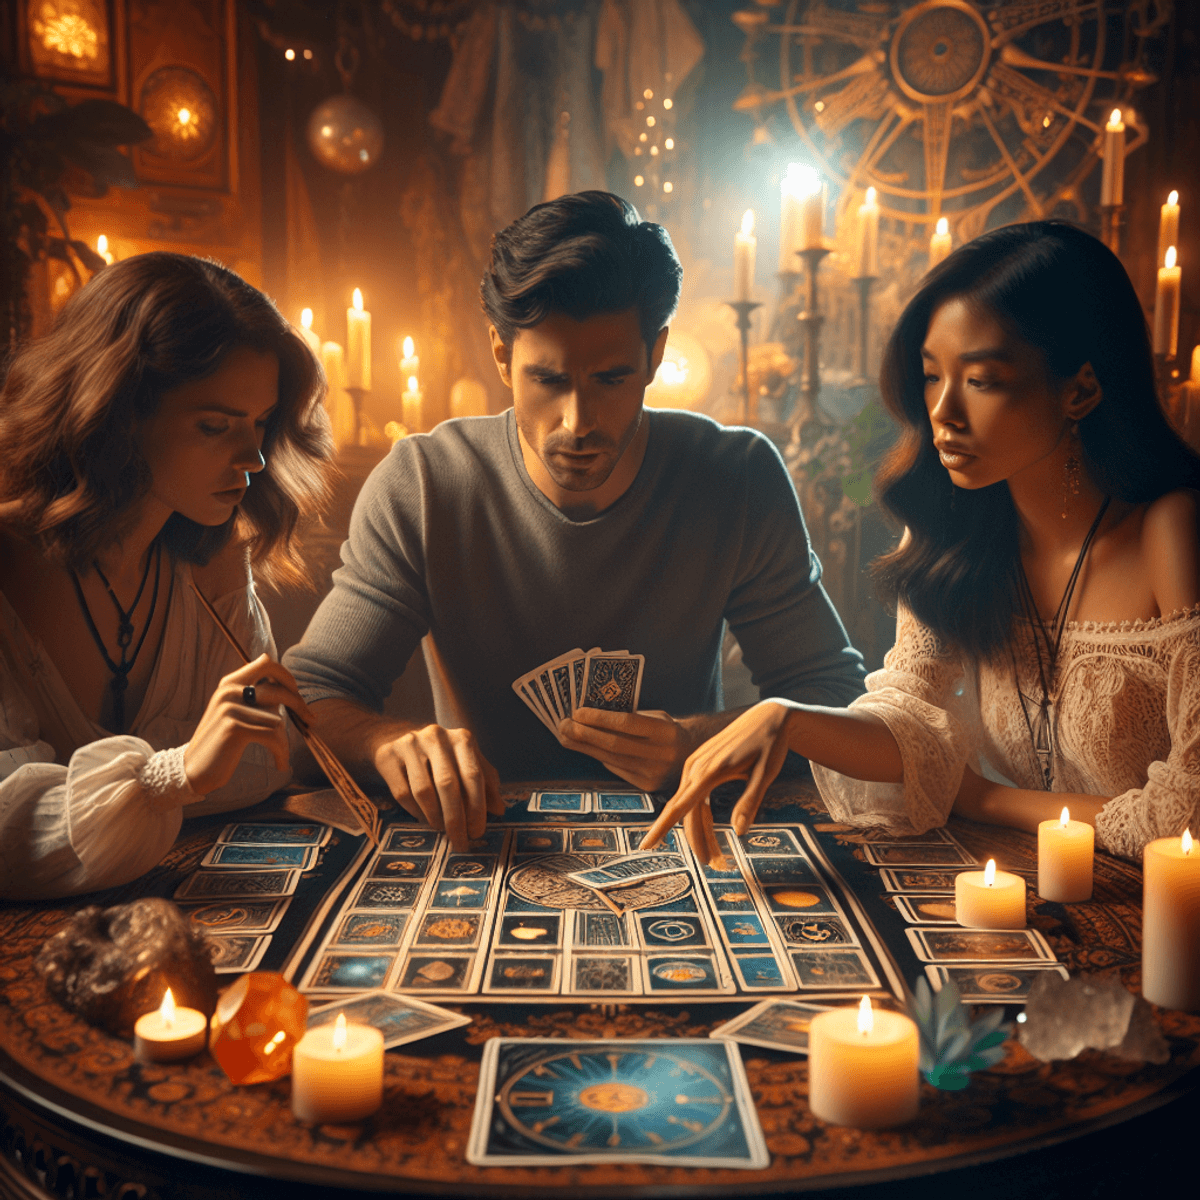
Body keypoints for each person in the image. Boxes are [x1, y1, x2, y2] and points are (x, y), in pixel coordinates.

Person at [284, 190, 865, 850]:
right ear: (501, 356)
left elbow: (836, 701)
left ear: (655, 356)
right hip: (486, 846)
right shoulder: (424, 483)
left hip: (681, 838)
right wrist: (386, 741)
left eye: (612, 379)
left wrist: (695, 742)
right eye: (548, 380)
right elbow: (304, 705)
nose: (577, 423)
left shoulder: (736, 478)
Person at [643, 220, 1200, 864]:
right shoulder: (951, 527)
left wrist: (986, 800)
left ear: (1081, 389)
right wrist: (788, 717)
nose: (943, 411)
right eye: (933, 375)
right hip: (1014, 897)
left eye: (982, 380)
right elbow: (908, 718)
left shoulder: (1171, 532)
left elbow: (1183, 818)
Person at [0, 252, 333, 899]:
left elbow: (261, 768)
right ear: (118, 413)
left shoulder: (213, 560)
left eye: (260, 423)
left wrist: (189, 777)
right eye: (215, 426)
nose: (254, 457)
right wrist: (171, 777)